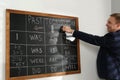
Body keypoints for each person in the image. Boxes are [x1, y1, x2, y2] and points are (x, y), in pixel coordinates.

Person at [62, 13, 120, 80]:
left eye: (109, 22)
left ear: (118, 25)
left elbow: (93, 39)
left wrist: (72, 31)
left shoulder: (114, 37)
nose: (106, 24)